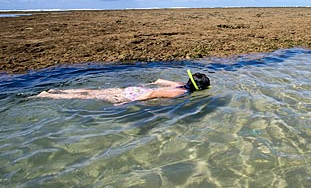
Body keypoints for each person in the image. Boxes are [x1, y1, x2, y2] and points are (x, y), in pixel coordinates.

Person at [37, 71, 210, 104]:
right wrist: (129, 103)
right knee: (86, 97)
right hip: (134, 95)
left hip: (134, 88)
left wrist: (145, 85)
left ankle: (54, 91)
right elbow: (152, 93)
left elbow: (158, 81)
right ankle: (48, 96)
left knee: (91, 92)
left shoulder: (179, 84)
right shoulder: (181, 93)